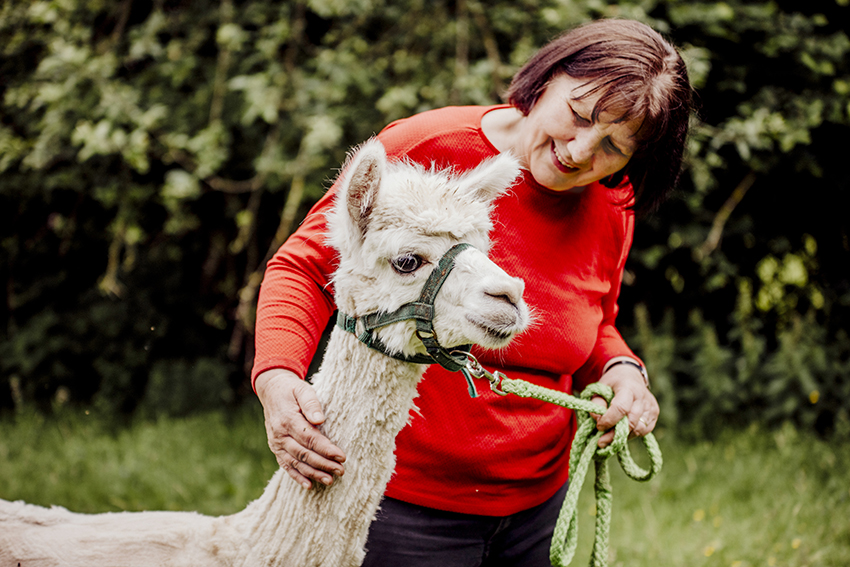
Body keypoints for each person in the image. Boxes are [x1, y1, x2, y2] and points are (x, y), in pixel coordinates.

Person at [252, 18, 694, 566]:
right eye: (578, 116)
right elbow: (303, 267)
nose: (581, 151)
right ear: (547, 79)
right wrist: (276, 376)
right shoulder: (425, 148)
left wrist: (622, 371)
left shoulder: (610, 208)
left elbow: (593, 318)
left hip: (537, 506)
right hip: (406, 506)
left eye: (612, 146)